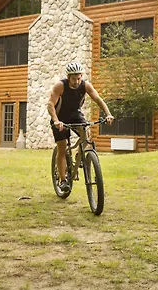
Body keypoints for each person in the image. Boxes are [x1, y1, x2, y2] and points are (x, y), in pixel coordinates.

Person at [47, 61, 114, 192]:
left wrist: (108, 114)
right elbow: (50, 105)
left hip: (75, 115)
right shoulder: (60, 86)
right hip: (60, 118)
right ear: (68, 77)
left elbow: (98, 99)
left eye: (79, 78)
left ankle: (79, 156)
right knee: (62, 148)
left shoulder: (85, 85)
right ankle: (63, 180)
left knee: (86, 134)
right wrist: (56, 121)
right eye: (74, 79)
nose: (77, 82)